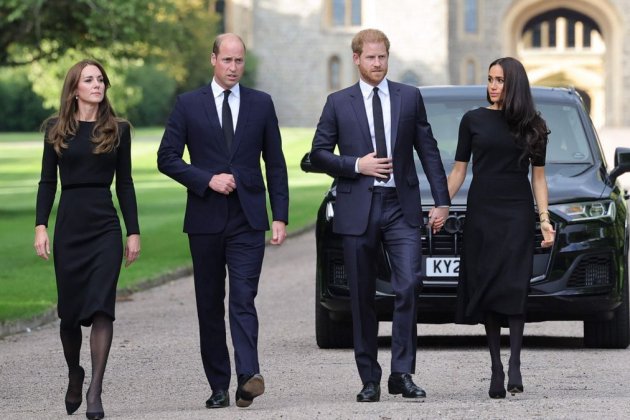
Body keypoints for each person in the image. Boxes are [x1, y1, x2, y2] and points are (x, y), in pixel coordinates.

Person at [309, 28, 450, 402]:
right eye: (371, 58)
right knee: (361, 297)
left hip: (400, 208)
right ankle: (369, 378)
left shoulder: (409, 97)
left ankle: (401, 373)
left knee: (409, 284)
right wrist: (357, 164)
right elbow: (319, 154)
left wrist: (442, 200)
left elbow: (429, 151)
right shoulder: (338, 103)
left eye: (383, 57)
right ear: (356, 59)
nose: (378, 64)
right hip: (358, 207)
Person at [157, 33, 289, 409]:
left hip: (249, 219)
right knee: (210, 304)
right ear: (213, 59)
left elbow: (275, 164)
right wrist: (206, 179)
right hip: (205, 219)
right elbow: (166, 158)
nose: (233, 68)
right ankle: (218, 385)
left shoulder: (261, 104)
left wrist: (279, 216)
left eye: (239, 61)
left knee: (244, 299)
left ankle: (248, 376)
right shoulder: (187, 105)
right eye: (227, 60)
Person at [34, 59, 141, 420]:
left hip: (105, 227)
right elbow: (47, 181)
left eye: (100, 80)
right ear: (74, 88)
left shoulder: (118, 129)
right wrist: (40, 226)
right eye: (89, 80)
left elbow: (125, 184)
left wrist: (133, 231)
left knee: (101, 308)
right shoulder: (55, 129)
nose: (97, 85)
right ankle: (75, 372)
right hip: (70, 226)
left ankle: (95, 390)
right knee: (69, 315)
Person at [443, 57, 555, 399]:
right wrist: (441, 203)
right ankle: (495, 366)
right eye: (490, 79)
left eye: (500, 80)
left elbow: (538, 178)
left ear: (514, 84)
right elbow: (459, 171)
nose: (492, 85)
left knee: (515, 285)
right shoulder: (473, 120)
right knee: (489, 287)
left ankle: (516, 362)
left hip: (517, 213)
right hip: (483, 213)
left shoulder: (534, 125)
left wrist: (545, 220)